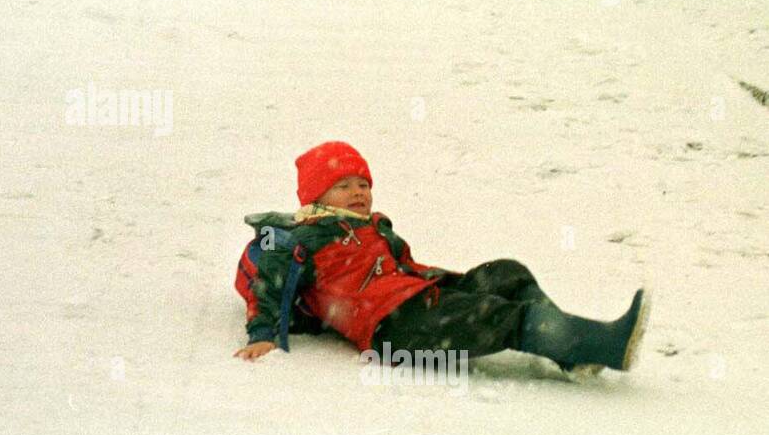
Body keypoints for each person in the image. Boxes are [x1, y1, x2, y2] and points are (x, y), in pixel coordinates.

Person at [234, 141, 650, 375]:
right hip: (391, 329)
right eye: (343, 185)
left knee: (504, 273)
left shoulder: (373, 226)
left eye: (363, 183)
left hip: (414, 298)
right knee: (492, 315)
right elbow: (267, 281)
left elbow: (403, 270)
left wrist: (448, 284)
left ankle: (570, 351)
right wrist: (262, 335)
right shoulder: (303, 236)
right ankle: (603, 344)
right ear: (316, 196)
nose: (359, 192)